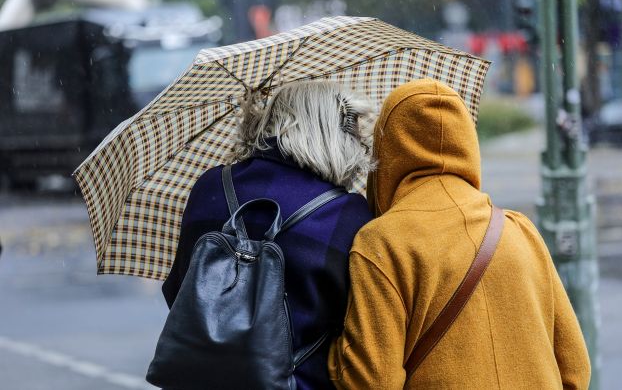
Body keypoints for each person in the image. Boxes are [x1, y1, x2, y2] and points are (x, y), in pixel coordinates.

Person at [328, 79, 591, 389]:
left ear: (388, 152)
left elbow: (372, 381)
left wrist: (334, 355)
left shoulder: (382, 244)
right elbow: (575, 369)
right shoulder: (520, 230)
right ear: (466, 143)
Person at [162, 81, 374, 389]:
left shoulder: (210, 186)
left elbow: (180, 290)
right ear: (332, 134)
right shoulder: (346, 213)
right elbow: (357, 325)